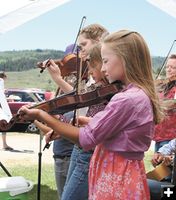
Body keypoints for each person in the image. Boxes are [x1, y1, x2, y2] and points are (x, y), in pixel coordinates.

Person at [19, 29, 163, 200]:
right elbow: (121, 132)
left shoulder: (126, 99)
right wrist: (89, 121)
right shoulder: (137, 95)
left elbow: (85, 139)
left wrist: (41, 115)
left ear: (125, 59)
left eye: (106, 61)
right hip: (123, 174)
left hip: (115, 178)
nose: (103, 68)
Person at [43, 24, 109, 200]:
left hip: (91, 150)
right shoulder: (93, 76)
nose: (79, 51)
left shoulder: (106, 77)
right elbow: (82, 103)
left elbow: (84, 105)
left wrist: (58, 79)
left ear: (99, 42)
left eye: (83, 45)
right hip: (79, 148)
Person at [153, 54, 176, 152]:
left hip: (170, 139)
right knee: (157, 166)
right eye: (167, 67)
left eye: (173, 67)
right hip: (158, 136)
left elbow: (171, 104)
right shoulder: (163, 86)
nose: (168, 70)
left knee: (165, 167)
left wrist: (158, 104)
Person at [0, 71, 13, 151]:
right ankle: (4, 144)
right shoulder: (1, 81)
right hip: (1, 106)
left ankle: (4, 144)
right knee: (4, 124)